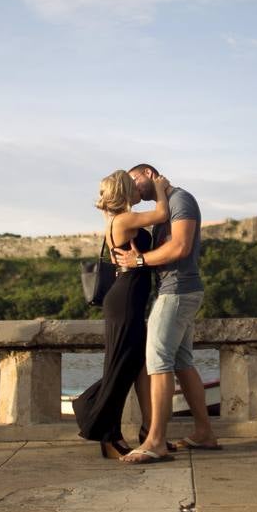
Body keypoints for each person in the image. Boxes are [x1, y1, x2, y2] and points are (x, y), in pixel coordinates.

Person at [114, 164, 220, 463]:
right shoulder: (167, 205)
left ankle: (156, 441)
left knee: (158, 362)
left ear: (148, 173)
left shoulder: (180, 200)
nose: (133, 189)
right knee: (182, 362)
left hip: (177, 292)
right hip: (177, 291)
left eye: (134, 181)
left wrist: (139, 261)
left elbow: (181, 247)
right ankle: (204, 433)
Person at [71, 170, 169, 458]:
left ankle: (120, 431)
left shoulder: (114, 218)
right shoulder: (124, 219)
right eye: (133, 187)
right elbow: (162, 213)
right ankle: (100, 425)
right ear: (126, 192)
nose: (140, 190)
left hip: (129, 297)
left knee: (129, 363)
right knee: (122, 365)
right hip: (125, 298)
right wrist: (161, 188)